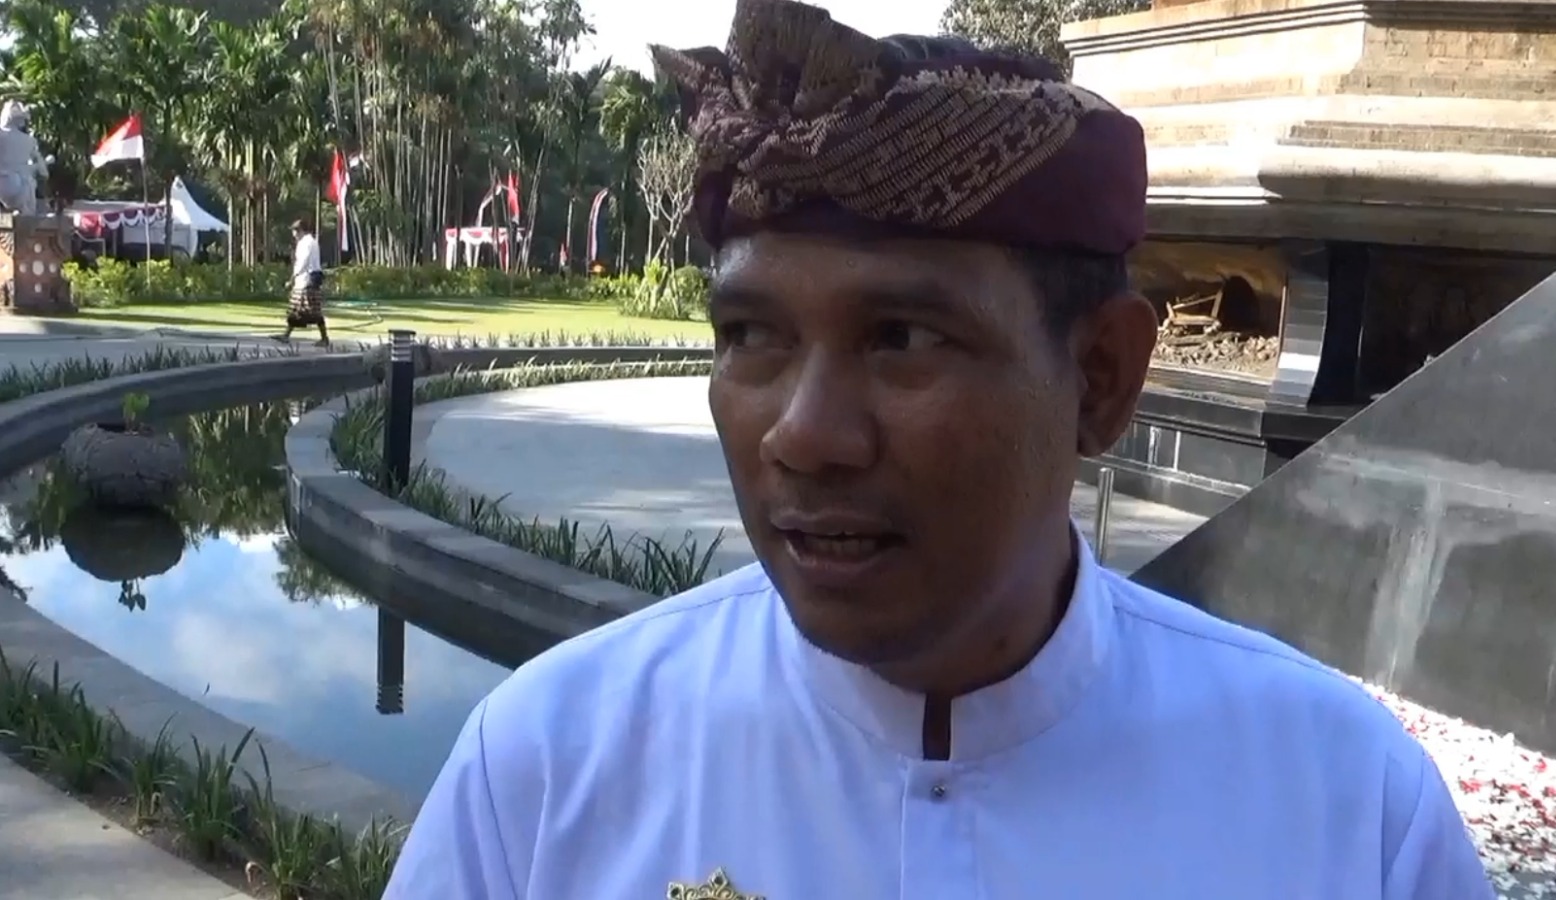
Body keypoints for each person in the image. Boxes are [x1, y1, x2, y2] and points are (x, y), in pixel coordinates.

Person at [382, 2, 1494, 898]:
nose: (803, 434)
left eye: (903, 339)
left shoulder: (1346, 811)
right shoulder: (546, 767)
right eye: (752, 336)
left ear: (1101, 377)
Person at [276, 219, 329, 346]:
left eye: (294, 231)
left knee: (311, 310)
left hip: (306, 280)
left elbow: (302, 263)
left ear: (299, 231)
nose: (293, 235)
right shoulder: (312, 241)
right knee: (298, 308)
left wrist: (292, 278)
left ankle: (324, 338)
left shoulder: (305, 243)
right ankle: (286, 334)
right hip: (309, 279)